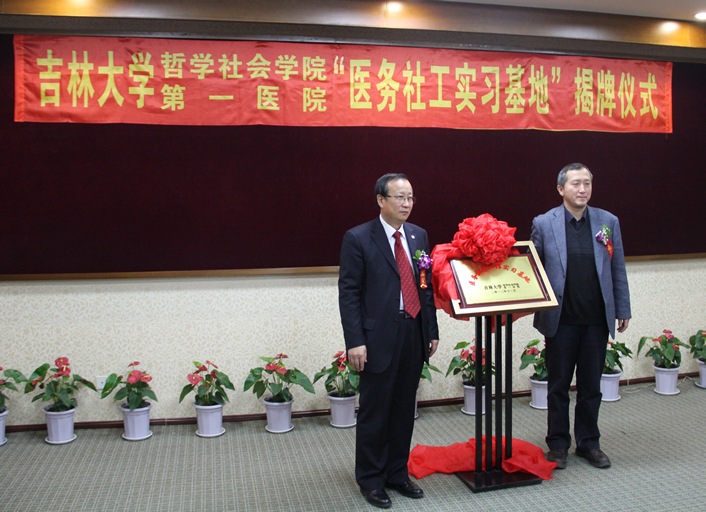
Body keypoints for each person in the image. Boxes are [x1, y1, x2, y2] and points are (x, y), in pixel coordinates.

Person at [339, 173, 440, 509]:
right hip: (376, 337)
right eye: (399, 197)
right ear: (381, 200)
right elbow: (349, 294)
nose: (406, 204)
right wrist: (355, 341)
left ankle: (397, 473)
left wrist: (431, 330)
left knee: (403, 409)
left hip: (413, 332)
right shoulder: (358, 238)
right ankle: (371, 479)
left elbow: (425, 286)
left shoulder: (418, 235)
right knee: (375, 412)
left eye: (410, 197)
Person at [531, 163, 631, 470]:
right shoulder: (544, 223)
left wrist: (623, 308)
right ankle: (558, 444)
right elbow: (532, 269)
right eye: (576, 183)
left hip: (596, 320)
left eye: (587, 183)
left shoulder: (607, 221)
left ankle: (589, 443)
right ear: (561, 189)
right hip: (561, 320)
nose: (583, 189)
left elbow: (617, 267)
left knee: (591, 386)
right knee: (558, 386)